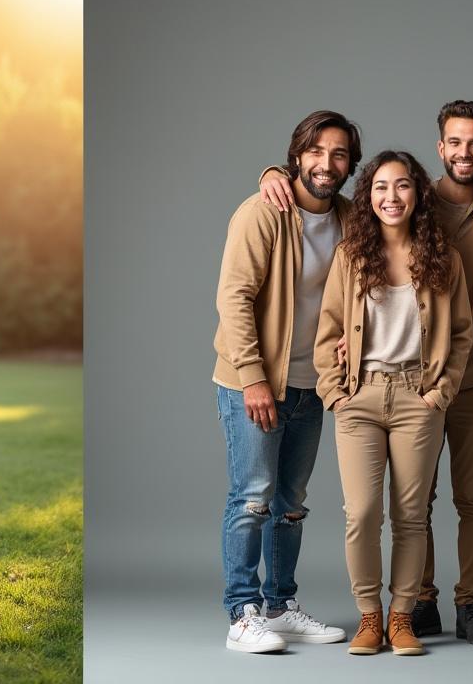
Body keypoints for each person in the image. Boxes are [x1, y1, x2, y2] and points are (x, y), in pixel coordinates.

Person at [261, 100, 473, 644]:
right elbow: (344, 203)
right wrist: (274, 173)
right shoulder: (414, 197)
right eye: (455, 142)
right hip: (393, 384)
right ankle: (417, 604)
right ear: (440, 147)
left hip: (470, 376)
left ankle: (468, 605)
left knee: (470, 498)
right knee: (408, 503)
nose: (466, 153)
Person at [314, 150, 472, 657]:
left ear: (417, 194)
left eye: (402, 186)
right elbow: (328, 332)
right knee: (361, 513)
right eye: (381, 187)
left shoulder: (443, 257)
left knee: (410, 515)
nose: (391, 197)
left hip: (416, 398)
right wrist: (334, 393)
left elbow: (463, 334)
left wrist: (438, 395)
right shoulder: (351, 256)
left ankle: (402, 617)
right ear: (368, 197)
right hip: (360, 397)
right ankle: (369, 616)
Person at [212, 110, 356, 653]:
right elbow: (234, 298)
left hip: (312, 383)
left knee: (291, 502)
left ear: (349, 164)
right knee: (252, 497)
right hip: (254, 380)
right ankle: (242, 613)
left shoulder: (349, 218)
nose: (326, 163)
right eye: (316, 151)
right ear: (297, 155)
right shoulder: (262, 212)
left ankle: (281, 606)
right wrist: (252, 379)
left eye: (338, 153)